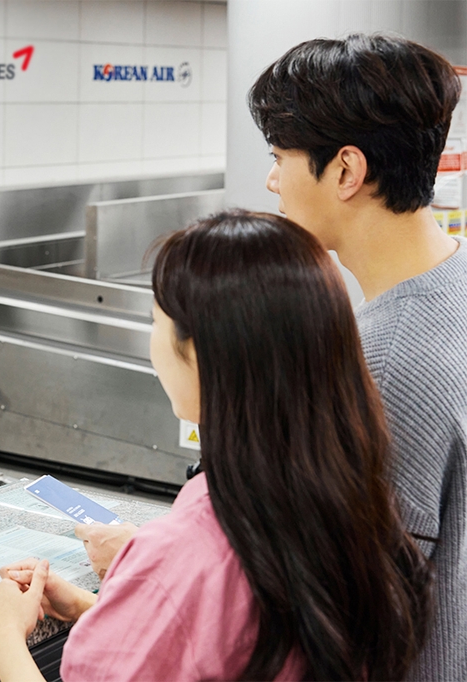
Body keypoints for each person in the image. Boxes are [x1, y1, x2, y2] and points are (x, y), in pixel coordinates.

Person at [0, 210, 433, 680]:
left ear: (197, 352)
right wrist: (101, 607)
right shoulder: (351, 503)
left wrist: (6, 637)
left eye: (156, 320)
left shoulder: (186, 551)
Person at [247, 34, 465, 679]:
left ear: (345, 170)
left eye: (280, 156)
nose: (271, 180)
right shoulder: (455, 279)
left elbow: (347, 618)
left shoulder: (385, 360)